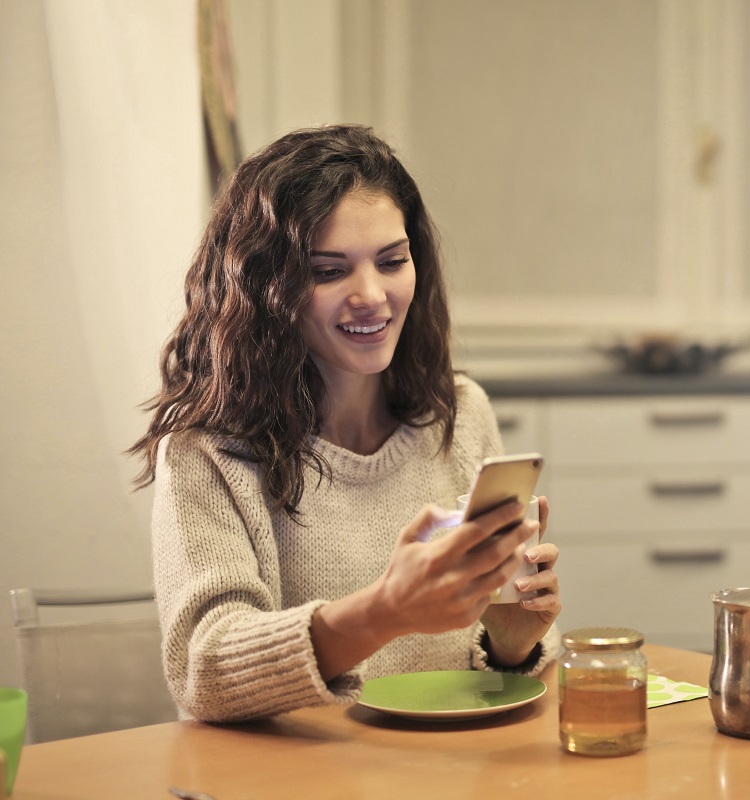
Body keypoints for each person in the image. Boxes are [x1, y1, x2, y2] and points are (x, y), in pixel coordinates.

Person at [129, 124, 561, 723]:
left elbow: (491, 676)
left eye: (392, 261)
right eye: (328, 271)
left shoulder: (459, 417)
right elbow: (207, 673)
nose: (372, 296)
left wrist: (509, 640)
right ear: (264, 288)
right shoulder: (205, 452)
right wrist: (386, 610)